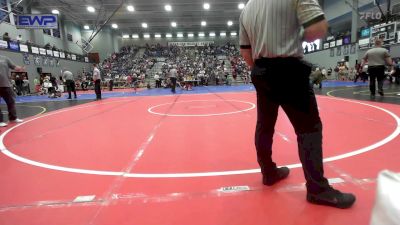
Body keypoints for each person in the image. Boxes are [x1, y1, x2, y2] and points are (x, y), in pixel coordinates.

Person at [239, 0, 355, 208]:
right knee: (308, 128)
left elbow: (246, 53)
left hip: (260, 71)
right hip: (288, 69)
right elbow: (317, 29)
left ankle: (269, 172)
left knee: (265, 125)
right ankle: (317, 189)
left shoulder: (248, 8)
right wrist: (292, 38)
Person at [0, 55, 24, 127]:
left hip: (5, 84)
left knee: (11, 101)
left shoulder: (5, 58)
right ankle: (0, 121)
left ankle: (13, 118)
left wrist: (19, 68)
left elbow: (14, 66)